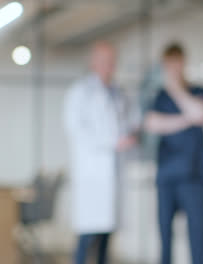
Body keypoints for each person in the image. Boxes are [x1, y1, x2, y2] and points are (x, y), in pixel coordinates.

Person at [64, 41, 137, 264]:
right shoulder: (80, 93)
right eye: (104, 61)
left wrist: (127, 138)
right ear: (93, 63)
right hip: (92, 177)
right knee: (87, 238)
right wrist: (113, 142)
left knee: (106, 237)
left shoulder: (118, 94)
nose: (109, 66)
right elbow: (76, 131)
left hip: (113, 176)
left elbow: (127, 124)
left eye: (112, 61)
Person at [144, 43, 203, 264]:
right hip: (166, 175)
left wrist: (176, 89)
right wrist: (188, 118)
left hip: (193, 175)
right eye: (168, 65)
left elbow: (202, 114)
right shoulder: (159, 97)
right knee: (165, 237)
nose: (172, 69)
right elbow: (152, 124)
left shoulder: (202, 92)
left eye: (175, 63)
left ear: (183, 62)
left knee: (197, 237)